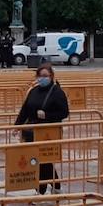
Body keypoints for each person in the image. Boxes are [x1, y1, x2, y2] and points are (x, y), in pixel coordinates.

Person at [14, 62, 70, 194]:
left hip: (48, 132)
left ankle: (41, 189)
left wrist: (47, 115)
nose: (42, 78)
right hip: (32, 131)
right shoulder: (33, 91)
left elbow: (64, 112)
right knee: (37, 160)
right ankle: (54, 185)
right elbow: (25, 110)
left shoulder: (57, 92)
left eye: (45, 75)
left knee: (43, 160)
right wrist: (17, 125)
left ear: (51, 76)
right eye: (40, 75)